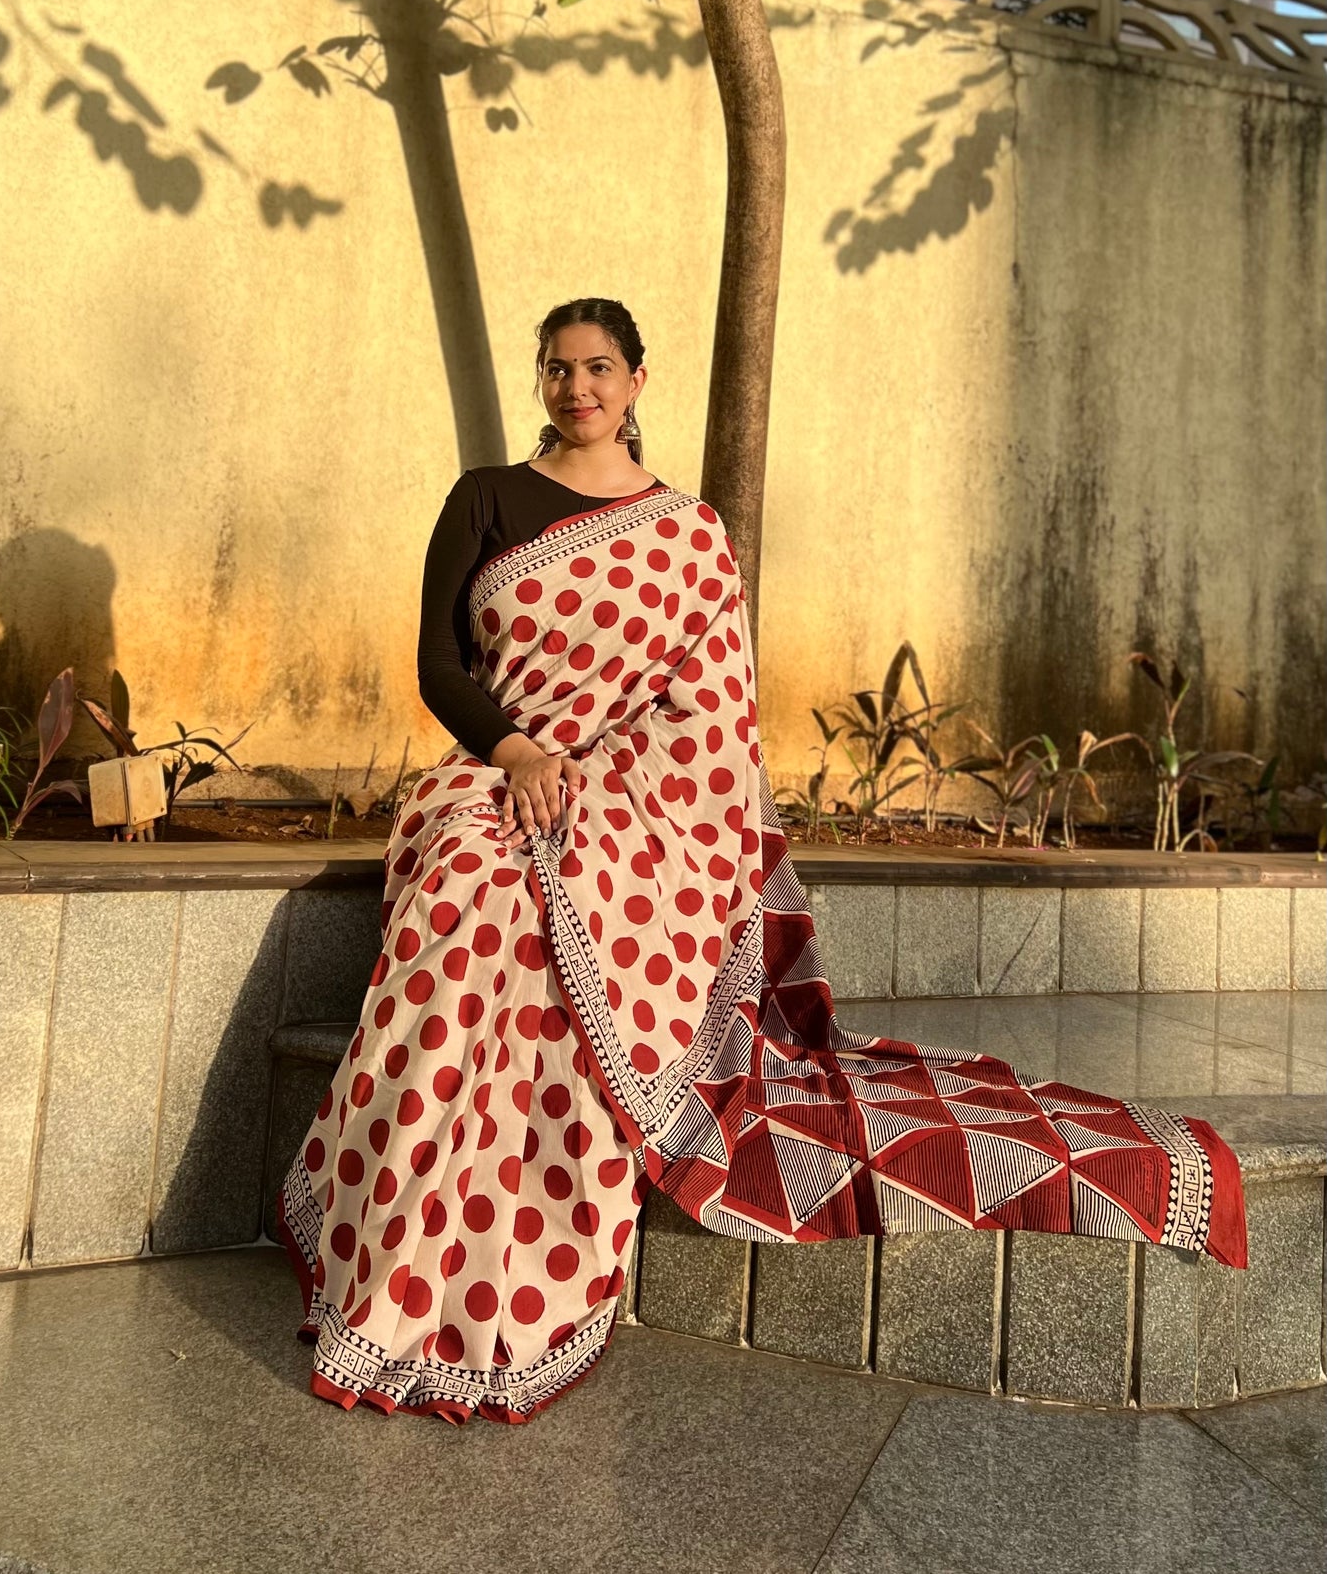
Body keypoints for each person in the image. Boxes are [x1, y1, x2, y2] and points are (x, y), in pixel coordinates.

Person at [277, 296, 1247, 1426]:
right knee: (475, 895)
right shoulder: (485, 497)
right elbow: (439, 664)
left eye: (598, 368)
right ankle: (397, 1240)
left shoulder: (688, 534)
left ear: (637, 382)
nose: (576, 388)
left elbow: (709, 723)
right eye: (557, 369)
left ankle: (501, 1254)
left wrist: (603, 794)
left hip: (628, 803)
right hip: (489, 773)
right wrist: (520, 753)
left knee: (558, 903)